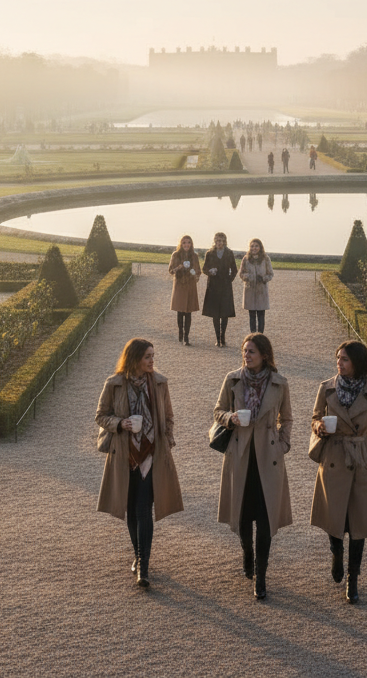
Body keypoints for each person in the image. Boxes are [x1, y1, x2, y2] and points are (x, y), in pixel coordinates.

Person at [96, 338, 184, 589]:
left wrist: (167, 441)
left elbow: (168, 416)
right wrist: (120, 424)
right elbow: (100, 416)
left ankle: (143, 565)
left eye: (153, 356)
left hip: (151, 455)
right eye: (147, 356)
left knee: (144, 508)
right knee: (131, 509)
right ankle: (137, 554)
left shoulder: (159, 382)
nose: (152, 360)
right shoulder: (114, 384)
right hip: (124, 454)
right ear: (134, 358)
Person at [213, 334, 292, 600]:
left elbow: (287, 418)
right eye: (245, 351)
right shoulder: (232, 379)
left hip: (268, 457)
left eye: (252, 351)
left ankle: (261, 575)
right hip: (241, 453)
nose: (246, 355)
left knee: (267, 517)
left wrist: (282, 444)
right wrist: (230, 418)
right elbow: (218, 410)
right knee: (244, 515)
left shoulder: (279, 383)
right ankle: (247, 552)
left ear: (264, 355)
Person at [309, 340, 367, 604]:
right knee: (334, 519)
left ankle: (353, 581)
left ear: (358, 362)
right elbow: (315, 417)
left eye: (344, 359)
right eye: (338, 358)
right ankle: (335, 550)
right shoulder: (326, 388)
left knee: (358, 525)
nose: (339, 363)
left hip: (361, 461)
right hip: (333, 456)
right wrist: (319, 427)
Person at [202, 231, 237, 346]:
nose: (219, 242)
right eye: (217, 240)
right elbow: (204, 269)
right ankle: (218, 338)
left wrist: (229, 280)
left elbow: (234, 269)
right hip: (213, 286)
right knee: (215, 314)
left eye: (221, 240)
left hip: (225, 286)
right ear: (214, 241)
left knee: (224, 313)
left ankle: (223, 337)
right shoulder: (209, 253)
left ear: (224, 241)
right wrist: (209, 272)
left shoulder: (229, 253)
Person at [168, 234, 200, 345]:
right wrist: (179, 267)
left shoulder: (194, 256)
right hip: (179, 285)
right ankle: (180, 332)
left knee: (188, 312)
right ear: (181, 244)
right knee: (180, 311)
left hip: (190, 285)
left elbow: (198, 271)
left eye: (188, 242)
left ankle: (186, 337)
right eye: (184, 242)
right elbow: (171, 270)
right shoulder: (176, 255)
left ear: (191, 244)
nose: (186, 245)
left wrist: (194, 273)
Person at [239, 238, 273, 334]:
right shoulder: (246, 259)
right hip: (250, 290)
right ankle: (253, 335)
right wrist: (247, 277)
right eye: (252, 246)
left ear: (260, 247)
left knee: (261, 315)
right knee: (252, 315)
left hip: (261, 290)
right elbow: (241, 273)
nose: (254, 248)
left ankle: (260, 335)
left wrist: (263, 278)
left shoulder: (266, 259)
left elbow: (270, 274)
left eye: (256, 246)